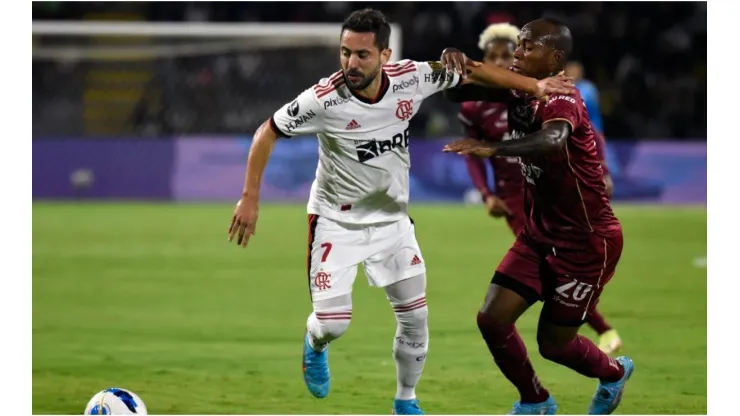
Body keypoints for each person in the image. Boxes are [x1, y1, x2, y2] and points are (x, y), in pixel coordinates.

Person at [227, 9, 573, 415]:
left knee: (415, 320)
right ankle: (314, 341)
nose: (350, 64)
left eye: (362, 55)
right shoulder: (322, 99)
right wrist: (250, 196)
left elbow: (475, 72)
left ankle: (405, 401)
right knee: (334, 323)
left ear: (385, 55)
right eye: (345, 53)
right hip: (336, 222)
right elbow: (267, 131)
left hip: (392, 222)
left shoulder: (412, 76)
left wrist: (535, 86)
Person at [441, 18, 634, 415]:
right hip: (538, 234)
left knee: (554, 345)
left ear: (555, 58)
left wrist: (492, 149)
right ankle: (536, 401)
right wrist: (451, 63)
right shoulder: (520, 83)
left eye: (528, 47)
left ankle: (614, 374)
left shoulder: (565, 97)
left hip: (586, 241)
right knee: (491, 319)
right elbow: (458, 93)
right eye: (519, 45)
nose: (518, 53)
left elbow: (553, 138)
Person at [564, 60, 622, 354]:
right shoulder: (561, 93)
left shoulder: (581, 92)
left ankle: (603, 329)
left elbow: (592, 118)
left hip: (587, 142)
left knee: (554, 271)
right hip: (580, 145)